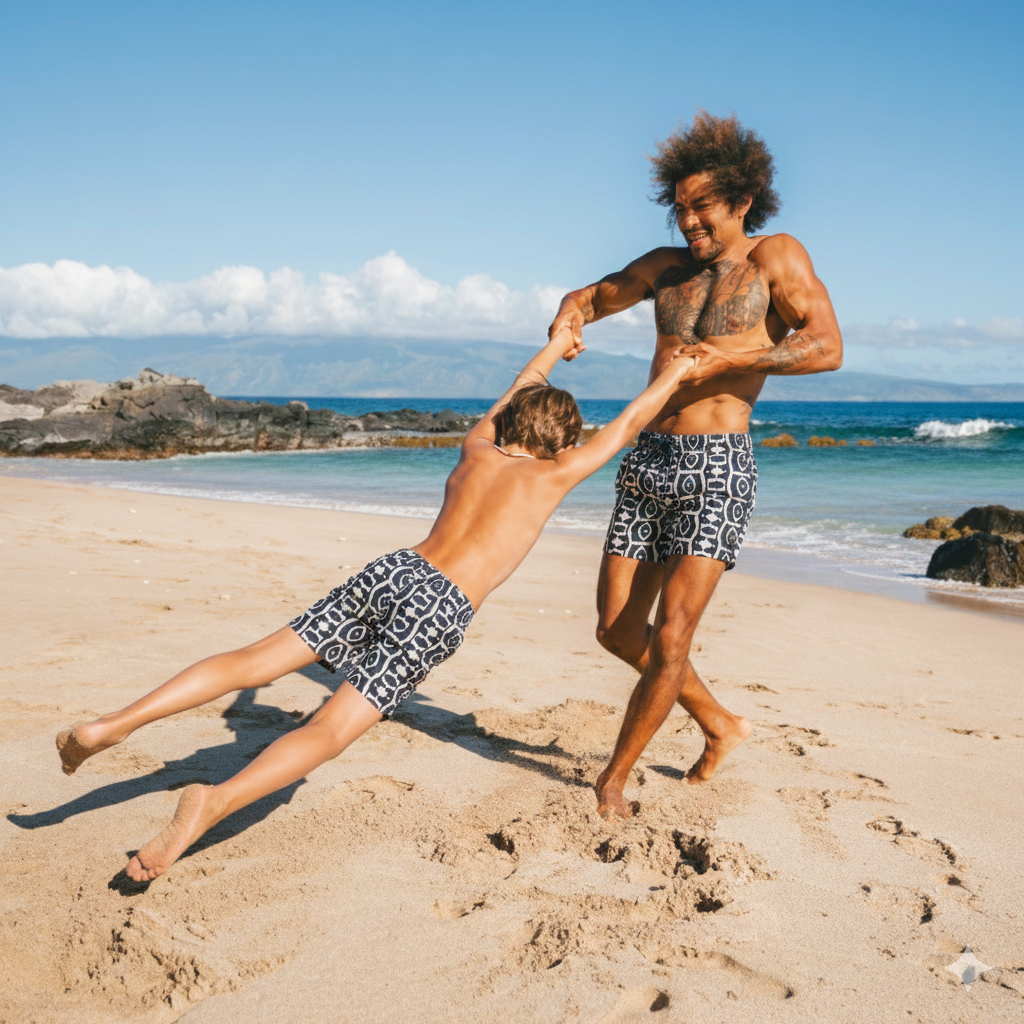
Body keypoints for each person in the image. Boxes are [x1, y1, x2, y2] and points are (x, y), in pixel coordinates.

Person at [55, 334, 698, 881]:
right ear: (561, 445)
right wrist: (673, 373)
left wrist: (556, 346)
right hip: (438, 607)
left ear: (507, 422)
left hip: (397, 568)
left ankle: (113, 724)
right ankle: (213, 802)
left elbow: (515, 390)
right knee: (329, 730)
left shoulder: (476, 449)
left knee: (256, 660)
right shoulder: (552, 474)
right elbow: (629, 425)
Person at [547, 111, 843, 820]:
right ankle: (720, 722)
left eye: (701, 206)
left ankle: (613, 780)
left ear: (742, 201)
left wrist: (735, 355)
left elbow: (826, 345)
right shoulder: (666, 270)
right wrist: (570, 314)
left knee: (674, 633)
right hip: (648, 458)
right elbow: (597, 293)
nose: (688, 221)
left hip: (718, 464)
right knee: (617, 629)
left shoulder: (776, 259)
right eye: (679, 207)